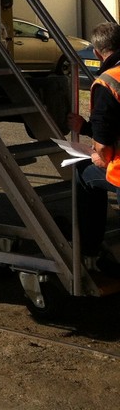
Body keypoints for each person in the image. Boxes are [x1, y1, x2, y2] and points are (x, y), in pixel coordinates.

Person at [75, 21, 120, 277]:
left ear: (96, 52)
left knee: (83, 172)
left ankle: (89, 250)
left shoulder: (107, 82)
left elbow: (103, 145)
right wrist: (85, 128)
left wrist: (100, 158)